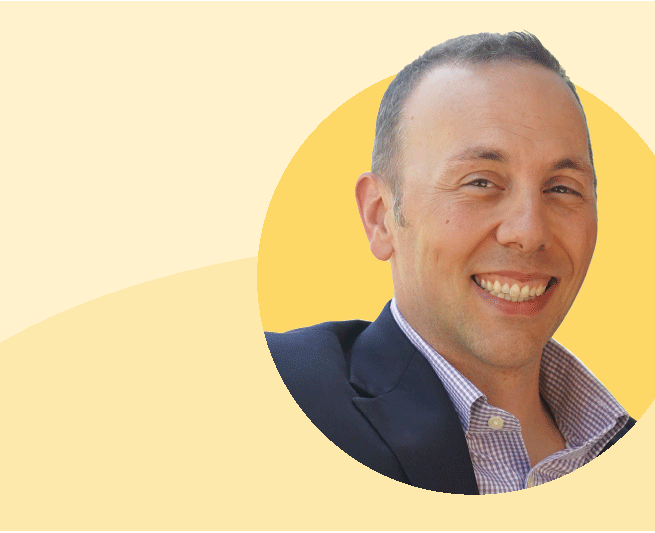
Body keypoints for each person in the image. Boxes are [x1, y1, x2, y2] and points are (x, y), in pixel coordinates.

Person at [265, 32, 633, 495]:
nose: (529, 231)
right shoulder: (278, 391)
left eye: (562, 188)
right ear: (380, 217)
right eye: (481, 182)